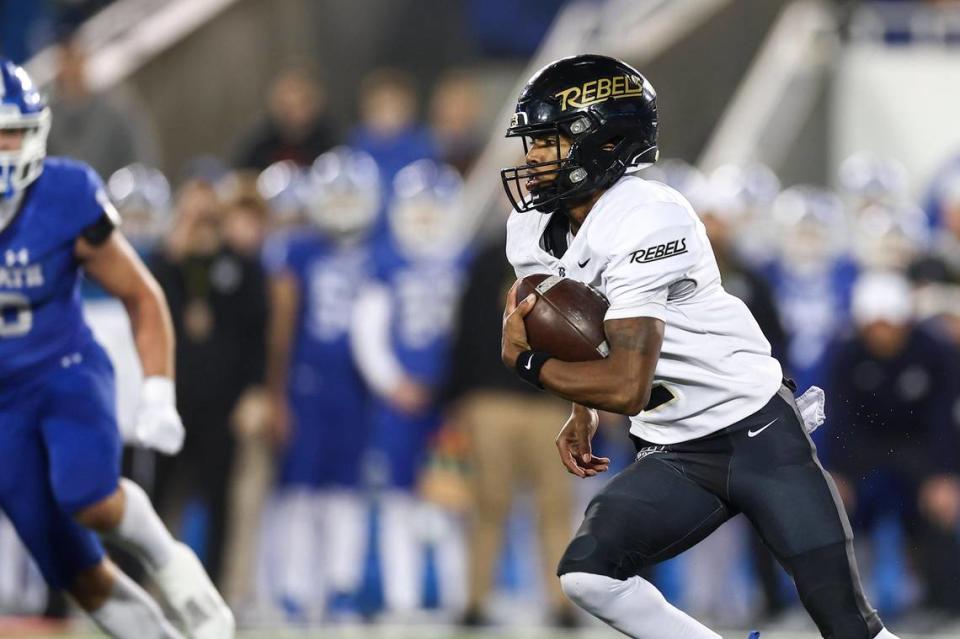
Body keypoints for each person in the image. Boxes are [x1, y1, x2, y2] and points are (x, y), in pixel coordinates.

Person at [498, 54, 899, 639]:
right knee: (589, 577)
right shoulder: (530, 228)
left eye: (549, 140)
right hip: (676, 449)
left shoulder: (649, 218)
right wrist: (579, 408)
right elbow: (587, 340)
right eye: (532, 142)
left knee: (848, 626)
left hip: (757, 431)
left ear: (605, 143)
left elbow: (627, 386)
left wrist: (530, 364)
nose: (532, 157)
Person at [0, 59, 233, 638]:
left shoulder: (65, 193)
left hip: (63, 370)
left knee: (90, 496)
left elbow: (142, 296)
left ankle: (173, 564)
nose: (7, 149)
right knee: (74, 570)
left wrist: (157, 392)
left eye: (15, 132)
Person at [262, 147, 379, 620]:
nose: (344, 207)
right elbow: (281, 326)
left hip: (358, 386)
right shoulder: (298, 249)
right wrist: (276, 389)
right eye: (337, 197)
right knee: (297, 486)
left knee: (344, 488)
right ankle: (291, 585)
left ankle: (341, 584)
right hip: (307, 382)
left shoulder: (380, 250)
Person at [351, 159, 470, 617]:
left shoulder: (464, 259)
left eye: (434, 210)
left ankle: (456, 598)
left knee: (454, 498)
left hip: (450, 402)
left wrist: (459, 391)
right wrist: (391, 383)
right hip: (400, 402)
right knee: (400, 498)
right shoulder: (386, 261)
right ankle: (403, 600)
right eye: (419, 210)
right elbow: (368, 331)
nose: (426, 219)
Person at [150, 180, 268, 590]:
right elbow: (147, 309)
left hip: (222, 405)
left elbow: (258, 334)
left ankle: (215, 589)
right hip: (171, 402)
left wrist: (256, 390)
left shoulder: (240, 266)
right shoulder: (167, 265)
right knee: (157, 500)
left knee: (219, 502)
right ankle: (148, 585)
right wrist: (173, 253)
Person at [825, 272, 960, 618]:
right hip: (862, 452)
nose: (882, 334)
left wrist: (945, 475)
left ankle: (939, 605)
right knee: (832, 505)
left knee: (939, 506)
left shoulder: (937, 351)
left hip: (919, 451)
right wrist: (835, 473)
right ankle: (845, 603)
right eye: (874, 325)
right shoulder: (844, 353)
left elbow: (943, 419)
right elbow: (839, 418)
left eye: (890, 324)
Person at [232, 67, 337, 171]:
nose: (295, 114)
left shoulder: (326, 138)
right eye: (287, 106)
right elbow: (241, 174)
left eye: (301, 104)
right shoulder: (260, 141)